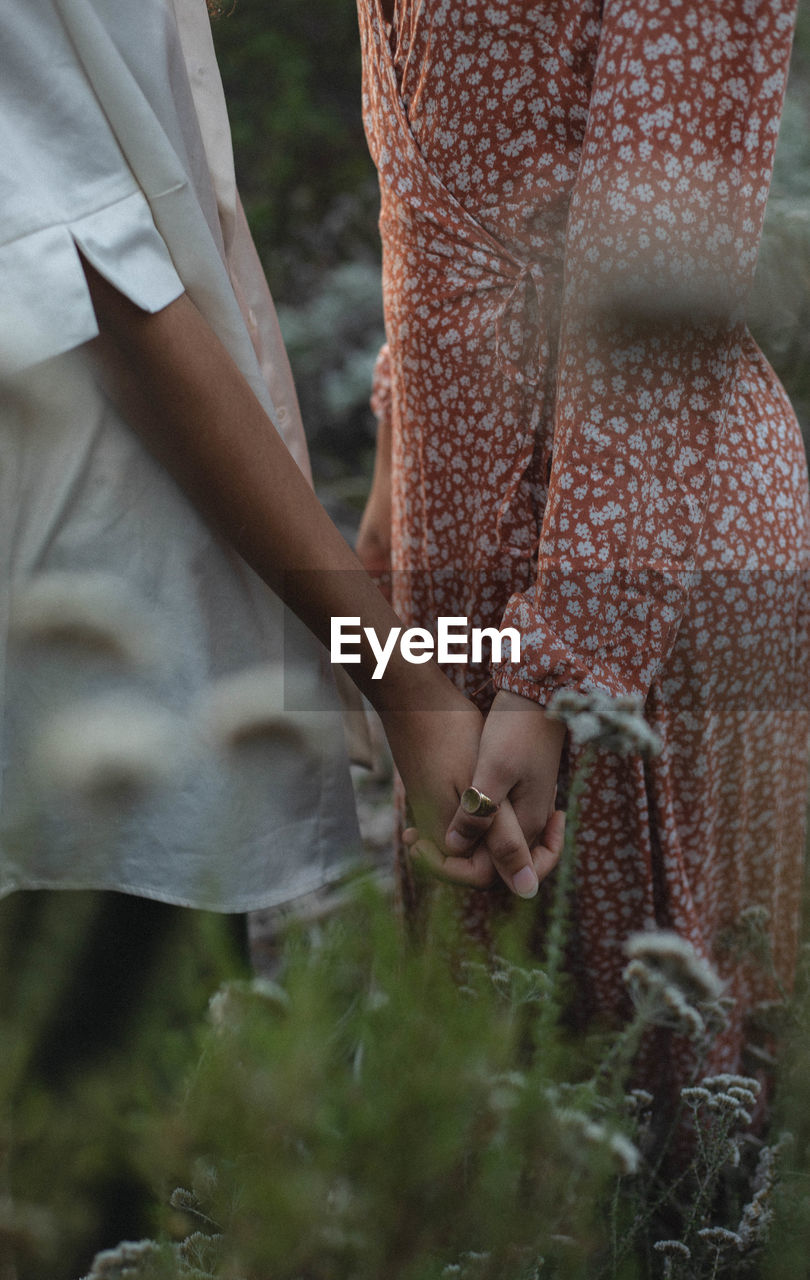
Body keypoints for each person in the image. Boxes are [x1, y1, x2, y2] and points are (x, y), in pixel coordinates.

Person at [356, 0, 810, 1084]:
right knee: (508, 1097)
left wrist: (562, 669)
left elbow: (661, 261)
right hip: (455, 527)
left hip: (631, 559)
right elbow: (436, 194)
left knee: (645, 1117)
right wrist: (393, 463)